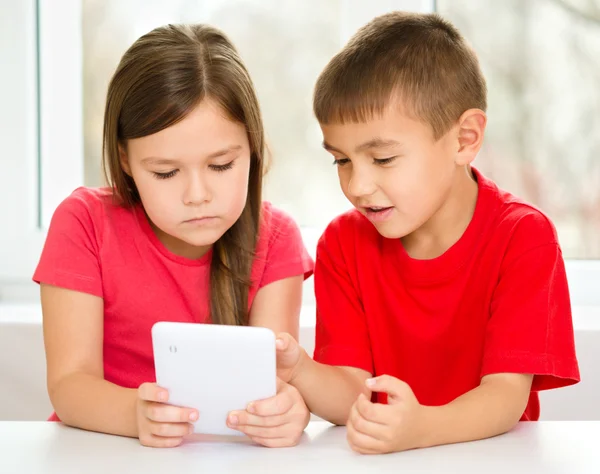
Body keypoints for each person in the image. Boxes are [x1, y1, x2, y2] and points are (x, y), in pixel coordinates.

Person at [270, 11, 580, 454]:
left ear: (464, 139)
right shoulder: (342, 244)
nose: (357, 186)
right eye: (341, 160)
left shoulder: (522, 236)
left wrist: (421, 428)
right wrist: (299, 369)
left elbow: (505, 396)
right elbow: (351, 396)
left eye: (382, 159)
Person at [33, 23, 313, 449]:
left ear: (253, 148)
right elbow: (70, 386)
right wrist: (136, 415)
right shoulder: (84, 223)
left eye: (221, 166)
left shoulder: (276, 239)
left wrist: (286, 410)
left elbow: (270, 384)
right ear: (125, 160)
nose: (197, 196)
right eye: (165, 172)